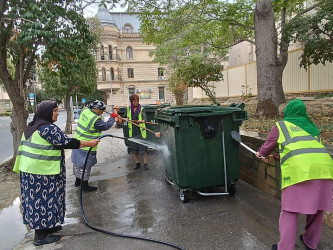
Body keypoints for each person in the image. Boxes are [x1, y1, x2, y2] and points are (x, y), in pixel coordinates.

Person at [13, 100, 100, 246]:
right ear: (46, 112)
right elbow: (66, 142)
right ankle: (40, 236)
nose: (57, 113)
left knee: (44, 200)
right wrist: (89, 143)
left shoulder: (33, 126)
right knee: (42, 202)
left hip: (31, 172)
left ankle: (48, 227)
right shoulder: (47, 129)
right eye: (54, 110)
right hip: (41, 173)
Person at [255, 99, 333, 250]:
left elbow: (268, 145)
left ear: (288, 112)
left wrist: (262, 153)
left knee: (290, 210)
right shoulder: (313, 128)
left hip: (300, 171)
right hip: (324, 169)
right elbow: (304, 149)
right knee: (317, 209)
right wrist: (276, 157)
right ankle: (310, 242)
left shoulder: (281, 125)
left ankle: (285, 247)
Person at [71, 100, 118, 192]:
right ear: (95, 109)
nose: (102, 112)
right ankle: (84, 186)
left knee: (77, 164)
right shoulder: (95, 120)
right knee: (85, 167)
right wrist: (112, 117)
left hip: (77, 142)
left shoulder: (85, 110)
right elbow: (106, 126)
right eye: (101, 110)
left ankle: (77, 182)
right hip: (87, 146)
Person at [121, 94, 149, 170]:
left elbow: (144, 117)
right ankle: (137, 163)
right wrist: (125, 118)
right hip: (132, 131)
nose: (136, 103)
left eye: (137, 101)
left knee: (143, 148)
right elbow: (124, 117)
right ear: (131, 101)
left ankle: (145, 163)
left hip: (140, 131)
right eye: (134, 101)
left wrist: (143, 120)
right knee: (134, 148)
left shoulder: (141, 108)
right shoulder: (128, 109)